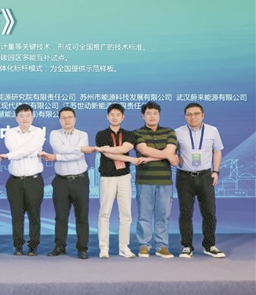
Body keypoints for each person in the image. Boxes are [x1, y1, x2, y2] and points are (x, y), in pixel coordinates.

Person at [94, 103, 147, 259]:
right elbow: (109, 155)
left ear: (123, 117)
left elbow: (123, 149)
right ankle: (104, 248)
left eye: (118, 115)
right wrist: (131, 159)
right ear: (107, 117)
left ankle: (124, 247)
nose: (115, 117)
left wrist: (104, 148)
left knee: (126, 214)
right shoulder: (101, 134)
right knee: (104, 213)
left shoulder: (130, 134)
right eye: (112, 115)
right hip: (107, 178)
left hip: (124, 177)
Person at [42, 107, 95, 260]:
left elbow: (77, 156)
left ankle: (82, 248)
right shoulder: (54, 134)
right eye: (63, 117)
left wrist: (57, 157)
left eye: (69, 117)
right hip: (61, 181)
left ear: (75, 119)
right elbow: (59, 148)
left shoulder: (83, 134)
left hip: (80, 180)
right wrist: (79, 149)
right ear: (59, 120)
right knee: (60, 216)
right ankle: (60, 246)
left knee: (82, 216)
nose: (67, 120)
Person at [175, 102, 225, 258]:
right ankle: (187, 246)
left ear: (203, 115)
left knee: (209, 212)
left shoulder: (212, 130)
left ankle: (209, 245)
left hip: (205, 176)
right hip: (184, 177)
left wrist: (215, 171)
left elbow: (217, 151)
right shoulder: (177, 132)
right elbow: (172, 152)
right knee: (185, 213)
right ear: (185, 116)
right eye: (189, 114)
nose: (193, 117)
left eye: (196, 114)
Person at [0, 104, 45, 256]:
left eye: (27, 115)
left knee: (34, 215)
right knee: (17, 215)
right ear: (16, 118)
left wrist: (11, 155)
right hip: (15, 181)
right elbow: (18, 149)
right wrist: (32, 152)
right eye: (21, 116)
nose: (25, 119)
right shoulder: (10, 133)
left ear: (32, 117)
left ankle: (33, 246)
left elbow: (23, 150)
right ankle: (18, 245)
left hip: (34, 180)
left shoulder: (38, 132)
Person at [134, 101, 179, 258]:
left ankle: (162, 246)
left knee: (163, 215)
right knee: (144, 215)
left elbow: (170, 150)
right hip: (144, 181)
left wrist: (149, 158)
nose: (152, 116)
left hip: (164, 181)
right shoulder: (137, 133)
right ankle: (144, 245)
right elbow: (144, 150)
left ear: (159, 115)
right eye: (148, 113)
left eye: (155, 113)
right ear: (143, 116)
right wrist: (167, 156)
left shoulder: (169, 132)